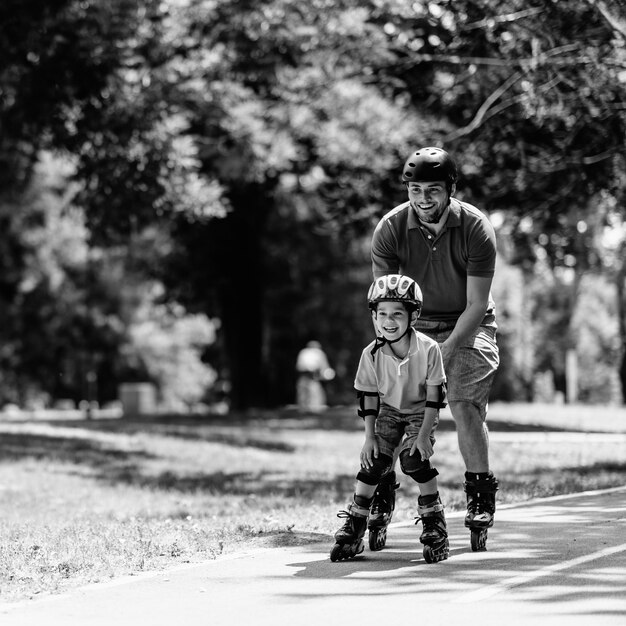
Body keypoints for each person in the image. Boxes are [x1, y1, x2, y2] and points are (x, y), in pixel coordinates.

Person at [371, 146, 499, 551]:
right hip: (413, 322)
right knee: (395, 408)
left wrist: (442, 352)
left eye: (433, 190)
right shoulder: (390, 229)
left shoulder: (476, 227)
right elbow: (384, 303)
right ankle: (382, 488)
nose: (424, 199)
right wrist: (393, 352)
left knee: (462, 401)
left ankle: (479, 493)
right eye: (416, 190)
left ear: (450, 189)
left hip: (469, 322)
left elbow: (477, 303)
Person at [330, 274, 449, 564]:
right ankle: (356, 522)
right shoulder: (370, 353)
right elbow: (369, 398)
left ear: (414, 315)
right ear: (373, 315)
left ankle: (435, 521)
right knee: (374, 462)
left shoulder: (429, 348)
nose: (388, 320)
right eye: (381, 313)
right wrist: (369, 437)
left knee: (413, 460)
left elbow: (435, 396)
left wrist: (422, 435)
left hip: (421, 410)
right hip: (388, 411)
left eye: (397, 313)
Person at [295, 340, 335, 413]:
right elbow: (300, 367)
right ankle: (306, 410)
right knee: (306, 394)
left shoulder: (313, 353)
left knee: (313, 394)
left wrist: (325, 374)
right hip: (306, 377)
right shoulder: (307, 353)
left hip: (313, 378)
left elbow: (324, 368)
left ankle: (312, 410)